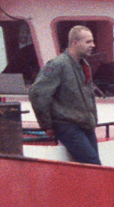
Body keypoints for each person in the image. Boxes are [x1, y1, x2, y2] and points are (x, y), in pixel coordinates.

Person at [28, 25, 101, 165]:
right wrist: (47, 125)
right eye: (88, 42)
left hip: (85, 125)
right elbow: (37, 93)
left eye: (92, 41)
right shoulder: (58, 65)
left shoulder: (83, 65)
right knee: (93, 164)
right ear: (75, 42)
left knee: (95, 166)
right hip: (68, 126)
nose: (93, 45)